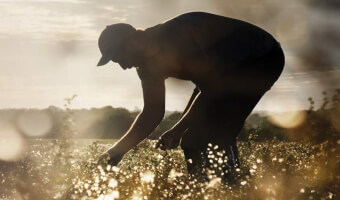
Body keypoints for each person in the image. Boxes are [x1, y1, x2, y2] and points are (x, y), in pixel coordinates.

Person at [96, 12, 284, 181]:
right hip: (218, 77)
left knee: (208, 135)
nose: (122, 66)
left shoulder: (178, 36)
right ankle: (203, 188)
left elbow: (214, 89)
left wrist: (177, 130)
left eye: (118, 57)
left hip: (261, 59)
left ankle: (230, 188)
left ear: (132, 43)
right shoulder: (146, 68)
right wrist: (117, 152)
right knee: (192, 139)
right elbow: (152, 112)